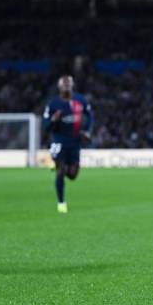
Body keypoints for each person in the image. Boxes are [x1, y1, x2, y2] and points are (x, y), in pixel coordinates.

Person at [42, 75, 93, 213]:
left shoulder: (80, 100)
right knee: (60, 171)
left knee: (72, 175)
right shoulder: (53, 104)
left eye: (68, 84)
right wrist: (53, 119)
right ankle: (61, 203)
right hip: (59, 140)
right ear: (59, 87)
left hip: (75, 142)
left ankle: (54, 163)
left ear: (72, 86)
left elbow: (90, 115)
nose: (66, 87)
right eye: (64, 85)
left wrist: (88, 131)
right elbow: (45, 126)